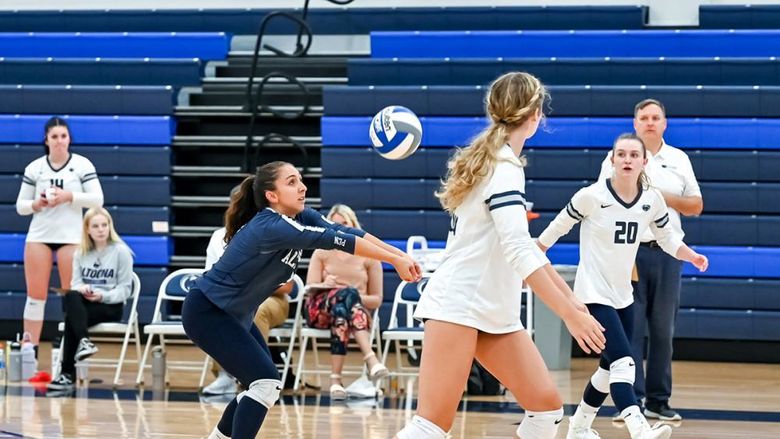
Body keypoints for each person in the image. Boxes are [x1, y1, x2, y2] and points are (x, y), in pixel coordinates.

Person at [394, 72, 606, 439]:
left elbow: (526, 249)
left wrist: (574, 302)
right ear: (536, 115)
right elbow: (519, 250)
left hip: (493, 310)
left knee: (546, 410)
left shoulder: (492, 159)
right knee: (430, 426)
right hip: (458, 304)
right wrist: (569, 313)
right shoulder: (504, 168)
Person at [182, 161, 421, 439]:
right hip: (208, 311)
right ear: (272, 195)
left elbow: (349, 232)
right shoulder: (271, 226)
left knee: (260, 385)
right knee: (265, 383)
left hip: (233, 315)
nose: (303, 187)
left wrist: (400, 256)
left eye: (301, 180)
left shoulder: (299, 217)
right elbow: (336, 240)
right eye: (292, 181)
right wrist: (393, 259)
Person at [538, 134, 708, 439]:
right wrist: (536, 250)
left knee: (607, 369)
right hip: (593, 292)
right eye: (621, 154)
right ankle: (638, 428)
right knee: (624, 361)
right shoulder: (591, 195)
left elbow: (668, 239)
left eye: (633, 155)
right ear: (612, 160)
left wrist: (691, 255)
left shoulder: (651, 200)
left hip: (623, 295)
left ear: (644, 162)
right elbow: (557, 227)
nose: (627, 159)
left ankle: (578, 427)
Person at [598, 100, 703, 421]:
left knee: (662, 329)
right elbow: (605, 199)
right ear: (635, 122)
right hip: (629, 252)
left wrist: (658, 196)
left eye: (656, 117)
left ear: (665, 123)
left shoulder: (678, 159)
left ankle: (659, 400)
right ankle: (632, 401)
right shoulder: (618, 156)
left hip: (669, 253)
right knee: (631, 328)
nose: (650, 122)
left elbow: (695, 205)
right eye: (644, 117)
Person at [15, 117, 104, 355]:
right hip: (39, 235)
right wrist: (38, 202)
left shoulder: (82, 165)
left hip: (71, 237)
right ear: (46, 140)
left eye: (63, 136)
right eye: (54, 137)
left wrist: (69, 196)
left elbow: (98, 200)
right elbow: (20, 206)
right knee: (35, 296)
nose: (59, 141)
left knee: (71, 296)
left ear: (69, 139)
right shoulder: (35, 168)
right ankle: (29, 349)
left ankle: (69, 348)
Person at [201, 179, 294, 396]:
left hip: (271, 300)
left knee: (253, 309)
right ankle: (225, 375)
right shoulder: (218, 237)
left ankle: (252, 376)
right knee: (215, 307)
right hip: (233, 297)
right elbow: (210, 278)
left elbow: (287, 285)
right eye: (237, 203)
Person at [305, 203, 388, 400]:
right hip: (320, 310)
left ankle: (336, 381)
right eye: (334, 225)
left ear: (353, 226)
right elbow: (309, 289)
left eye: (344, 224)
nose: (339, 229)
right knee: (346, 295)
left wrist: (351, 296)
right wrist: (326, 285)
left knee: (343, 310)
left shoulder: (369, 255)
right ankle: (371, 358)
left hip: (350, 314)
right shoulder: (321, 251)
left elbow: (376, 300)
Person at [47, 207, 134, 391]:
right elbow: (75, 284)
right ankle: (84, 342)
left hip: (110, 306)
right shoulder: (80, 253)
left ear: (110, 226)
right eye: (96, 226)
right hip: (86, 305)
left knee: (72, 318)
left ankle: (66, 374)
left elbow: (125, 290)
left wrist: (102, 295)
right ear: (87, 229)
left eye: (104, 225)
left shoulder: (121, 252)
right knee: (71, 295)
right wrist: (83, 288)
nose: (101, 229)